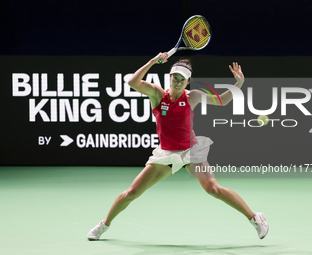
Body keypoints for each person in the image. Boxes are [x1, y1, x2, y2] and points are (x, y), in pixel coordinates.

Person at [87, 53, 269, 241]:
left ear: (188, 82)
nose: (178, 82)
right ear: (170, 77)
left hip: (191, 151)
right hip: (166, 153)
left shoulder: (193, 97)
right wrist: (152, 61)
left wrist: (238, 84)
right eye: (176, 78)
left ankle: (256, 218)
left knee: (213, 189)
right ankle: (104, 225)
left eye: (183, 80)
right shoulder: (157, 94)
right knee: (132, 192)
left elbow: (221, 100)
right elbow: (133, 82)